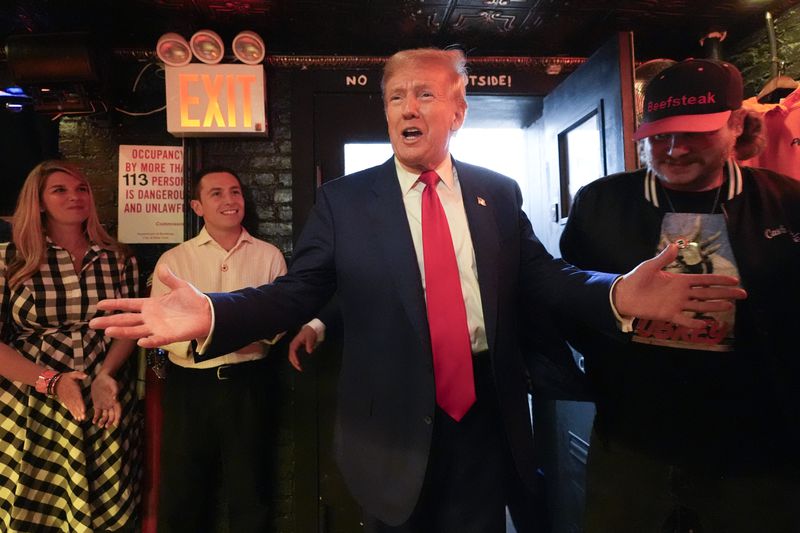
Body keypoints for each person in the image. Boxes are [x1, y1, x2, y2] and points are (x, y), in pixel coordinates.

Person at [91, 48, 745, 532]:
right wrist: (212, 311)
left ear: (458, 109)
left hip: (486, 414)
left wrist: (617, 294)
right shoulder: (345, 201)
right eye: (396, 96)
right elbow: (299, 290)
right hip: (390, 426)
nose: (408, 106)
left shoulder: (497, 191)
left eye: (426, 95)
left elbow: (547, 276)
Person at [559, 59, 800, 533]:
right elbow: (567, 301)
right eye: (660, 135)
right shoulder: (599, 203)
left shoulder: (788, 202)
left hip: (758, 453)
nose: (673, 149)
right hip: (631, 448)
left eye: (695, 134)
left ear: (736, 124)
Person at [0, 160, 140, 531]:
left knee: (103, 507)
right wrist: (51, 381)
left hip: (101, 395)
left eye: (82, 189)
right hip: (31, 401)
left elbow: (127, 327)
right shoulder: (8, 259)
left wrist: (107, 374)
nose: (75, 197)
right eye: (60, 190)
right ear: (39, 202)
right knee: (33, 508)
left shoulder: (118, 258)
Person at [151, 167, 287, 532]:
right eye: (216, 193)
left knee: (251, 489)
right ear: (197, 205)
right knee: (183, 489)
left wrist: (211, 334)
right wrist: (235, 335)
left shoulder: (269, 256)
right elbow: (164, 332)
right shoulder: (174, 261)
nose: (230, 200)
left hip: (250, 384)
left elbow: (276, 326)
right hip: (189, 388)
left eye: (235, 192)